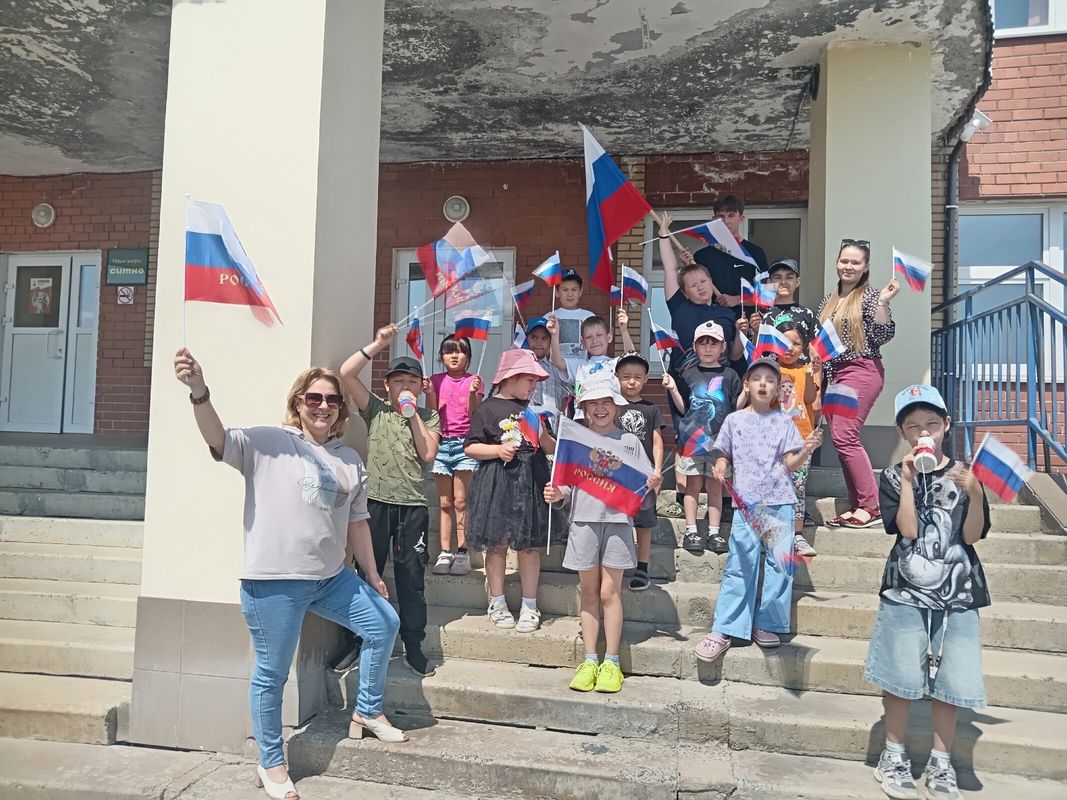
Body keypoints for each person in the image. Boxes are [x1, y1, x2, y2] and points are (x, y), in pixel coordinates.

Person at [173, 348, 406, 800]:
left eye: (332, 400)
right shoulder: (269, 442)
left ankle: (367, 710)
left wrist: (373, 574)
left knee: (383, 623)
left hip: (331, 577)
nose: (323, 406)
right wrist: (199, 391)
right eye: (313, 398)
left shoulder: (349, 459)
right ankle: (271, 762)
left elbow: (358, 523)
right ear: (298, 402)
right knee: (272, 674)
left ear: (340, 409)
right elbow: (218, 439)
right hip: (275, 580)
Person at [865, 385, 989, 800]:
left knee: (952, 680)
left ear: (946, 426)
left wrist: (975, 491)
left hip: (959, 593)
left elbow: (972, 536)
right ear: (902, 432)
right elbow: (908, 530)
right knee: (900, 675)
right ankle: (893, 754)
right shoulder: (891, 476)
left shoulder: (966, 475)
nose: (924, 433)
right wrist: (906, 480)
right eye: (914, 426)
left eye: (932, 425)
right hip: (905, 590)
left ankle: (941, 762)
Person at [694, 357, 822, 662]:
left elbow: (790, 464)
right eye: (757, 379)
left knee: (779, 566)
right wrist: (721, 465)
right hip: (746, 504)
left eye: (770, 380)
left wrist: (806, 449)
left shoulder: (784, 421)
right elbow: (723, 453)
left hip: (779, 502)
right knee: (740, 564)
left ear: (778, 388)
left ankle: (768, 624)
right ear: (747, 385)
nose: (763, 384)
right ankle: (725, 628)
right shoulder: (734, 420)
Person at [544, 375, 659, 693]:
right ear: (583, 408)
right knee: (589, 592)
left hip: (619, 523)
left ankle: (612, 661)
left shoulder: (630, 441)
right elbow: (568, 484)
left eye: (606, 402)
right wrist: (558, 494)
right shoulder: (574, 439)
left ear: (617, 406)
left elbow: (643, 488)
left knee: (610, 592)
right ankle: (589, 659)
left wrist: (651, 484)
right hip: (583, 522)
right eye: (593, 403)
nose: (600, 408)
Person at [340, 328, 441, 678]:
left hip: (412, 507)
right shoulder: (376, 410)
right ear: (387, 386)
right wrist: (379, 344)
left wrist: (413, 414)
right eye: (398, 381)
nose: (405, 387)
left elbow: (428, 453)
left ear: (421, 386)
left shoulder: (429, 417)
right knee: (365, 573)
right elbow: (346, 373)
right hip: (374, 505)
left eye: (411, 382)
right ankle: (356, 641)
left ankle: (413, 645)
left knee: (411, 577)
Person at [656, 210, 744, 516]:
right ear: (684, 291)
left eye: (704, 281)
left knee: (722, 440)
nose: (701, 287)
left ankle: (724, 501)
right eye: (693, 285)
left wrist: (740, 334)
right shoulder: (679, 307)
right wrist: (664, 234)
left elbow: (736, 356)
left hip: (721, 385)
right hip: (684, 382)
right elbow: (669, 269)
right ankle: (685, 499)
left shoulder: (727, 313)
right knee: (687, 437)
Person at [464, 348, 554, 632]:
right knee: (497, 543)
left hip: (530, 481)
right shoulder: (487, 408)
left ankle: (530, 604)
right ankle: (497, 601)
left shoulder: (534, 412)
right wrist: (497, 450)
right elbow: (471, 447)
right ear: (511, 377)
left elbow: (548, 446)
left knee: (528, 545)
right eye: (530, 379)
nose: (534, 386)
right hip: (497, 482)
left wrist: (552, 436)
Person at [817, 239, 900, 529]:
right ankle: (857, 505)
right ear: (837, 263)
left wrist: (884, 303)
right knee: (841, 439)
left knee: (845, 436)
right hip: (834, 374)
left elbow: (882, 335)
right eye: (844, 261)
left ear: (866, 267)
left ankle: (871, 506)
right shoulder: (828, 300)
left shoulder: (871, 297)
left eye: (855, 262)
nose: (848, 266)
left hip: (861, 369)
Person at [741, 318, 819, 557]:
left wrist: (811, 375)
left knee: (798, 488)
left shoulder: (804, 370)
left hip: (801, 439)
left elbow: (809, 399)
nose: (790, 348)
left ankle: (796, 535)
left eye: (796, 343)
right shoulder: (770, 371)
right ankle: (771, 533)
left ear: (804, 347)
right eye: (784, 342)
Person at [662, 321, 742, 554]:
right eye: (703, 343)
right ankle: (691, 530)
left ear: (723, 347)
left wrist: (746, 392)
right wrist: (673, 389)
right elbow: (683, 408)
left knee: (715, 487)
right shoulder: (687, 374)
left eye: (713, 343)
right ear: (695, 347)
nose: (708, 348)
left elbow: (735, 407)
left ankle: (714, 532)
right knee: (693, 486)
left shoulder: (730, 375)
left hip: (719, 443)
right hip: (693, 442)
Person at [425, 335, 484, 577]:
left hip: (464, 445)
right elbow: (431, 414)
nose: (454, 355)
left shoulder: (474, 380)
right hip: (441, 444)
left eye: (460, 351)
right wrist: (429, 393)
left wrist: (472, 393)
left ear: (468, 357)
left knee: (461, 501)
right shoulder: (435, 380)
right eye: (449, 351)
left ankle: (462, 552)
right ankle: (445, 552)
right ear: (442, 356)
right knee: (444, 502)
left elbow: (474, 413)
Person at [614, 352, 666, 590]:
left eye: (637, 377)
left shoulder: (651, 409)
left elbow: (657, 442)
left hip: (644, 477)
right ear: (617, 377)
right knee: (617, 520)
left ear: (646, 378)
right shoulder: (611, 406)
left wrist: (657, 471)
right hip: (617, 474)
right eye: (626, 377)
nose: (632, 382)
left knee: (643, 524)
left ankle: (642, 568)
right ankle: (615, 563)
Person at [692, 194, 769, 317]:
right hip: (713, 323)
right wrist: (688, 265)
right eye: (721, 216)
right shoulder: (702, 256)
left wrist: (737, 299)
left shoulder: (755, 252)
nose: (726, 221)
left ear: (741, 218)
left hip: (749, 323)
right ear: (714, 219)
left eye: (731, 215)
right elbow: (693, 294)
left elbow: (767, 296)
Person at [548, 312, 634, 418]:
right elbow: (556, 361)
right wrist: (554, 335)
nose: (594, 340)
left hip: (609, 419)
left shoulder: (616, 363)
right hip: (583, 420)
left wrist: (624, 330)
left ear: (609, 337)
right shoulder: (580, 365)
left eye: (599, 335)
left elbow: (631, 359)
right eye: (589, 337)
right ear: (583, 342)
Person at [525, 315, 570, 434]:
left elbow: (565, 401)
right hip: (526, 433)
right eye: (534, 337)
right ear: (526, 339)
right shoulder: (519, 370)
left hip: (553, 433)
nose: (539, 343)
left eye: (544, 338)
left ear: (550, 341)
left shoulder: (557, 369)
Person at [552, 269, 594, 359]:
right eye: (565, 290)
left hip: (581, 367)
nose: (570, 294)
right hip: (555, 367)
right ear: (557, 292)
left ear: (580, 292)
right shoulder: (550, 317)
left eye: (574, 289)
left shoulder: (589, 316)